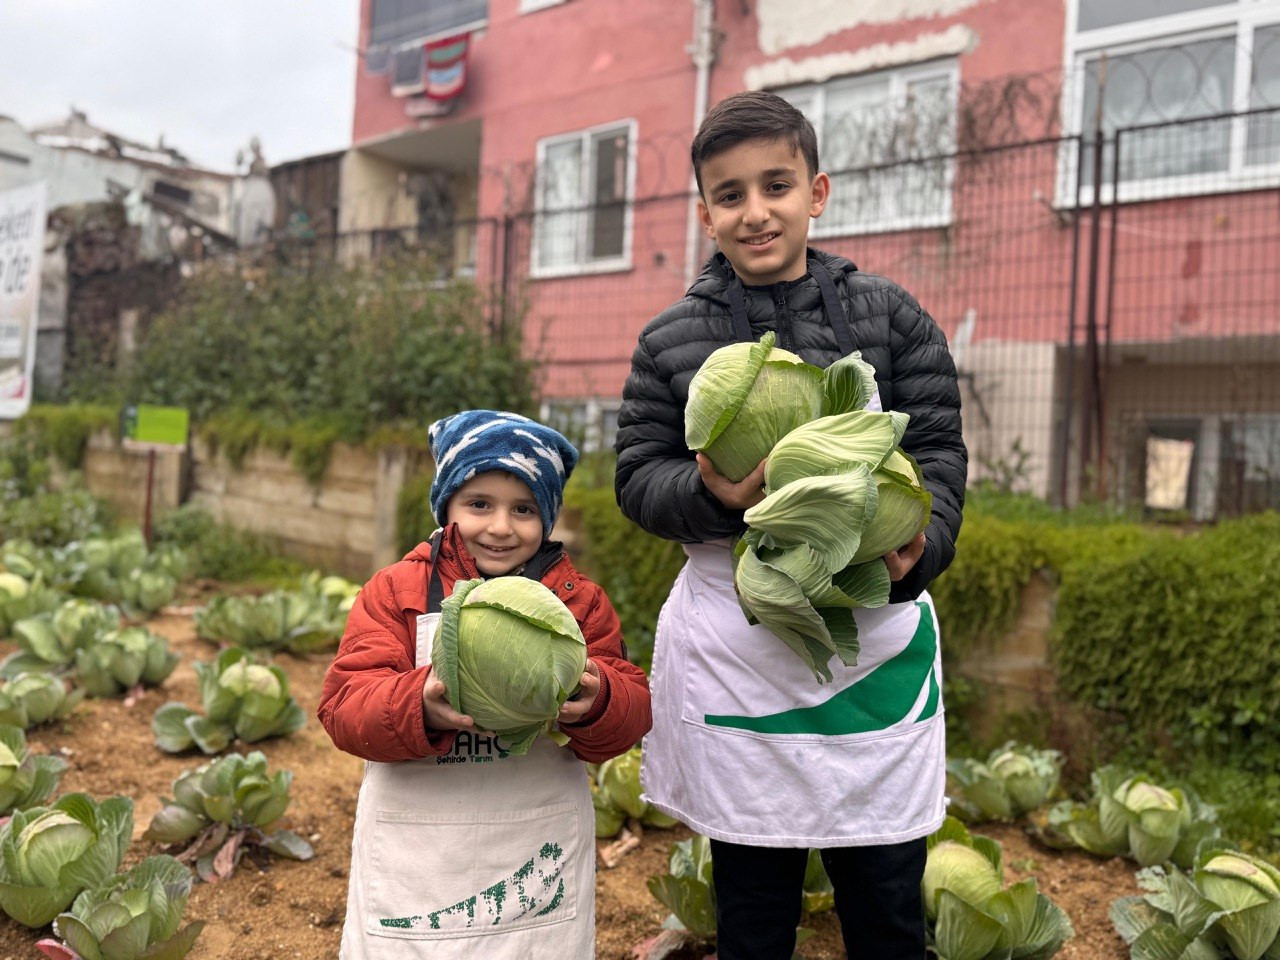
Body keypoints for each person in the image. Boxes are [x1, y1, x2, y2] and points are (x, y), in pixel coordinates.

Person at [614, 90, 967, 960]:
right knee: (753, 899)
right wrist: (714, 497)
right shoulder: (669, 341)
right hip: (741, 651)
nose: (755, 211)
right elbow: (637, 476)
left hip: (872, 634)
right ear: (706, 214)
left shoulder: (891, 317)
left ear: (817, 192)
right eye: (729, 195)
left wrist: (920, 547)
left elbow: (938, 452)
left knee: (886, 895)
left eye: (776, 186)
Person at [320, 409, 651, 960]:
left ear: (547, 518)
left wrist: (600, 701)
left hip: (531, 849)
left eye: (523, 509)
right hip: (420, 847)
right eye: (479, 504)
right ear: (446, 506)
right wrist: (416, 704)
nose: (500, 527)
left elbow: (632, 711)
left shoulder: (578, 602)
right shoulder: (396, 591)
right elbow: (344, 706)